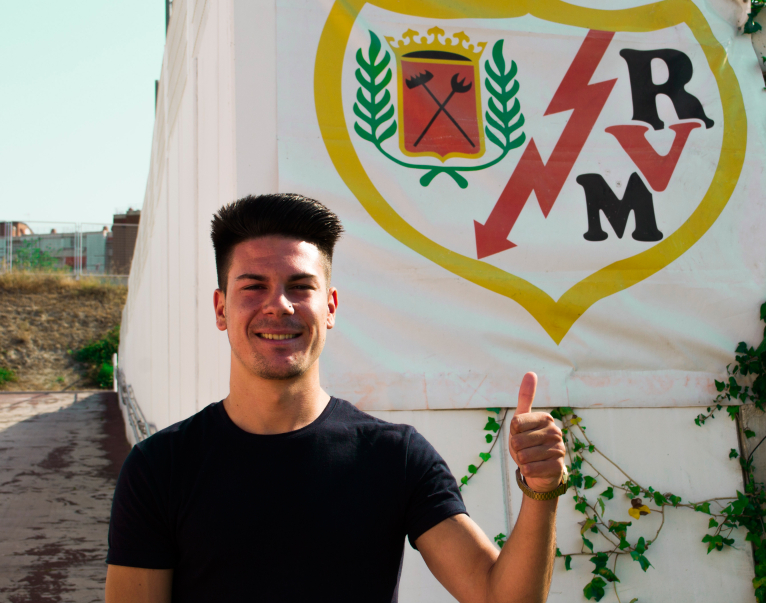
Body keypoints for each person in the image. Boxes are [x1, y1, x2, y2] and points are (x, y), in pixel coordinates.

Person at [105, 194, 568, 602]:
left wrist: (541, 491)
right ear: (221, 308)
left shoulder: (394, 457)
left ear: (329, 307)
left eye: (301, 286)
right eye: (253, 286)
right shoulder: (161, 468)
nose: (279, 305)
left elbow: (498, 598)